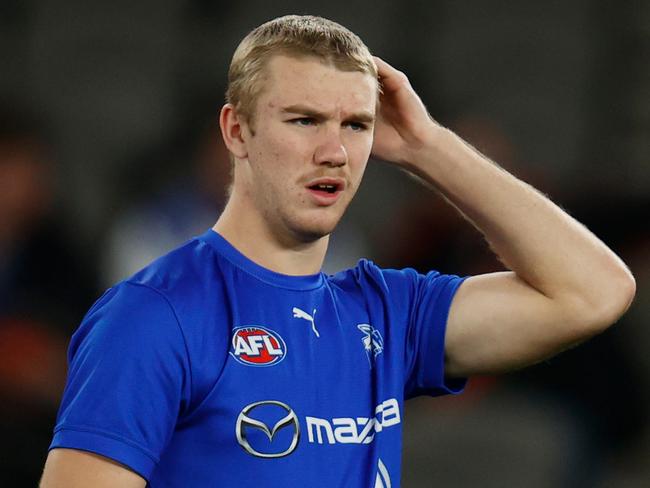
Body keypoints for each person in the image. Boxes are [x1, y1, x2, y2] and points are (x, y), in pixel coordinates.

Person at [40, 15, 635, 488]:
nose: (335, 151)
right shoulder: (152, 315)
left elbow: (594, 293)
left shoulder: (386, 310)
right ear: (236, 131)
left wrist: (428, 147)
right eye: (304, 120)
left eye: (355, 125)